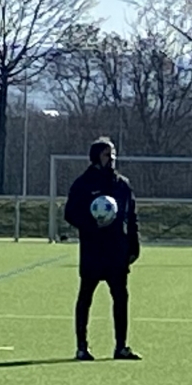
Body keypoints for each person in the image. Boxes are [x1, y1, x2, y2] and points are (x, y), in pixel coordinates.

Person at [62, 138, 141, 361]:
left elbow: (131, 216)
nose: (112, 159)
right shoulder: (83, 184)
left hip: (117, 251)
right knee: (85, 297)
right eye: (107, 154)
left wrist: (134, 245)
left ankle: (121, 347)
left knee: (121, 298)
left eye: (113, 154)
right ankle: (82, 348)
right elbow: (70, 213)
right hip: (93, 251)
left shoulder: (122, 184)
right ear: (96, 157)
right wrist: (91, 223)